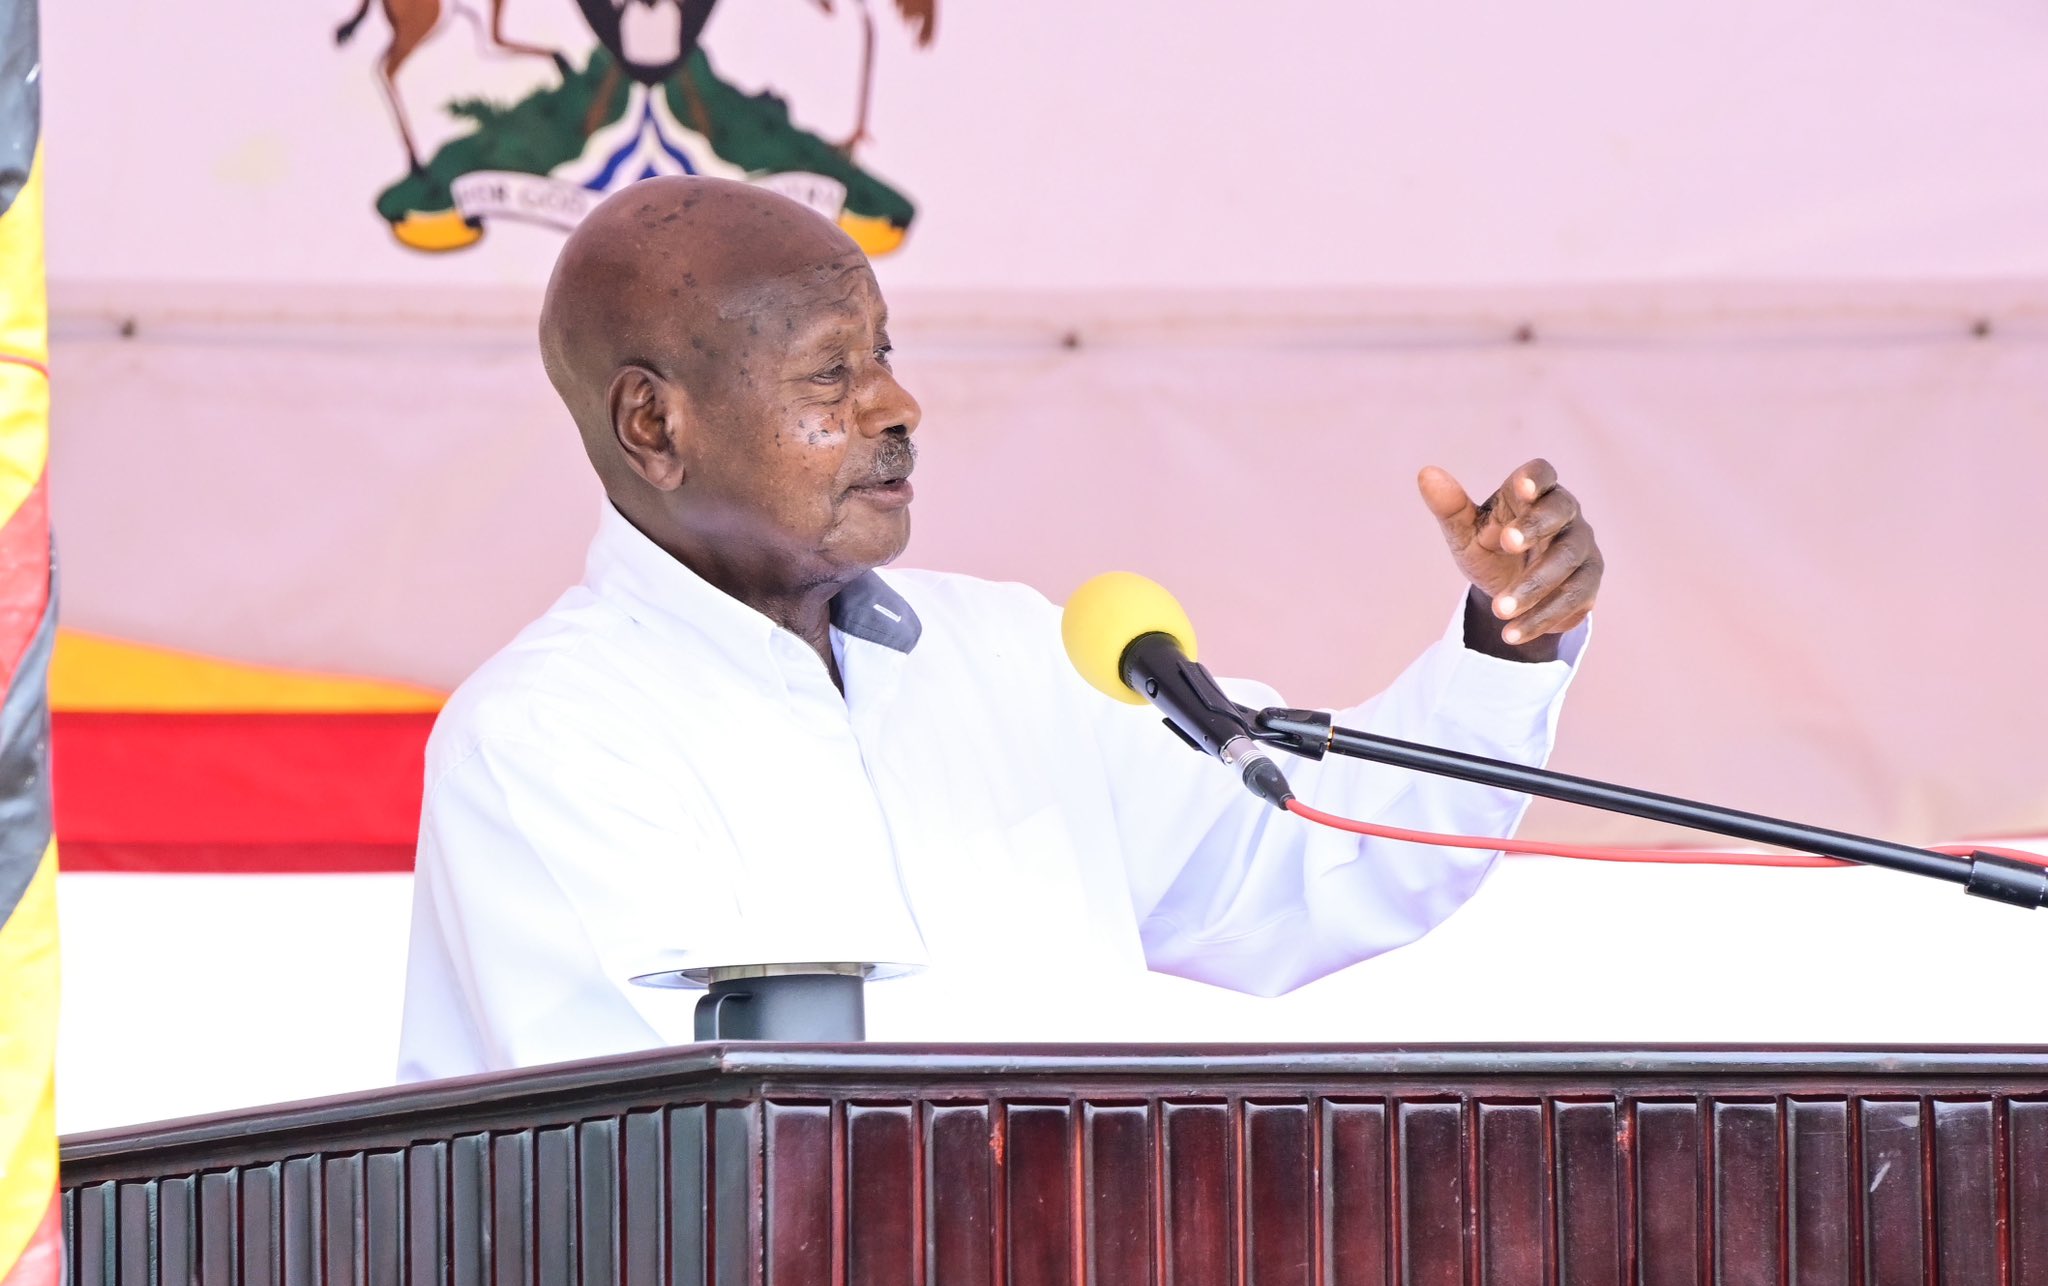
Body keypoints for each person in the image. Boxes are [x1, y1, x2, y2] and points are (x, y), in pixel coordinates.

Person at [397, 176, 1604, 1079]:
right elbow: (660, 1158)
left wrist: (1505, 644)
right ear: (653, 425)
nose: (897, 404)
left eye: (882, 353)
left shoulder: (1019, 657)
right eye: (829, 375)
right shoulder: (544, 740)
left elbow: (1322, 858)